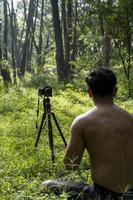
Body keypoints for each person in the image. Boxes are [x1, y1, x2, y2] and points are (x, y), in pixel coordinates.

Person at [63, 67, 133, 200]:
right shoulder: (131, 119)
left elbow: (70, 165)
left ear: (89, 92)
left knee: (47, 185)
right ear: (115, 91)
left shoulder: (82, 122)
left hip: (104, 194)